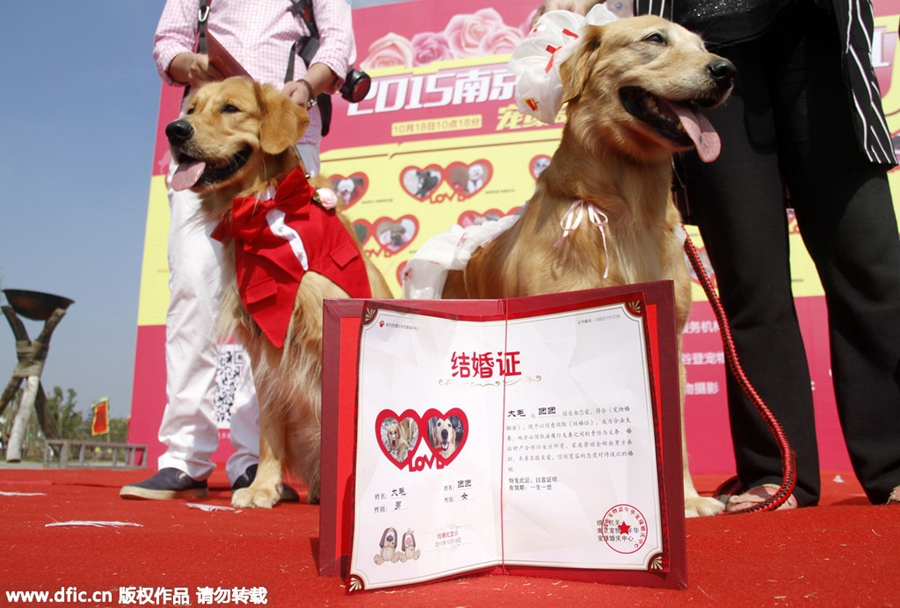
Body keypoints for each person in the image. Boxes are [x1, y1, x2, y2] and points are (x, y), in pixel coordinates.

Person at [530, 0, 900, 510]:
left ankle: (895, 466)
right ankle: (778, 473)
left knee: (871, 264)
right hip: (706, 31)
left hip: (818, 36)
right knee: (750, 281)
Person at [121, 0, 357, 500]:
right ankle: (184, 456)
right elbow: (168, 45)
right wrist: (194, 66)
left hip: (283, 144)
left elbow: (338, 44)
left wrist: (305, 88)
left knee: (280, 315)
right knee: (192, 293)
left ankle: (255, 461)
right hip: (204, 150)